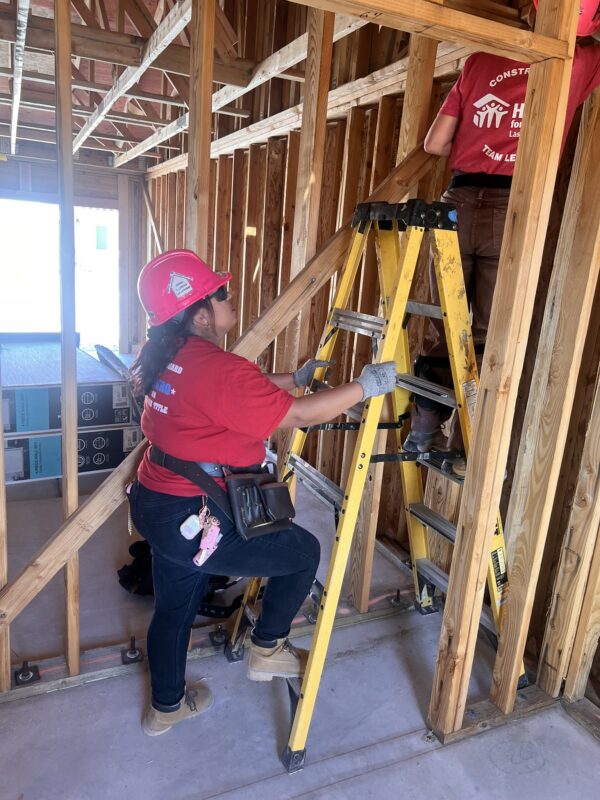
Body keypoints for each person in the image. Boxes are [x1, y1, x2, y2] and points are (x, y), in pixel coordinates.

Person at [128, 249, 397, 736]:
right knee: (301, 552)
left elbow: (230, 392)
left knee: (174, 606)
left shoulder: (172, 357)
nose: (232, 300)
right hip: (196, 518)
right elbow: (297, 415)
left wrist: (292, 380)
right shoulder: (217, 368)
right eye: (222, 294)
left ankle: (165, 709)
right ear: (201, 313)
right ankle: (267, 648)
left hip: (158, 504)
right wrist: (365, 386)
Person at [403, 15, 600, 465]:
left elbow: (435, 144)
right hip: (514, 208)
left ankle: (424, 429)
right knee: (490, 336)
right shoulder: (579, 60)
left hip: (455, 205)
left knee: (445, 327)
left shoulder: (480, 59)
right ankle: (466, 447)